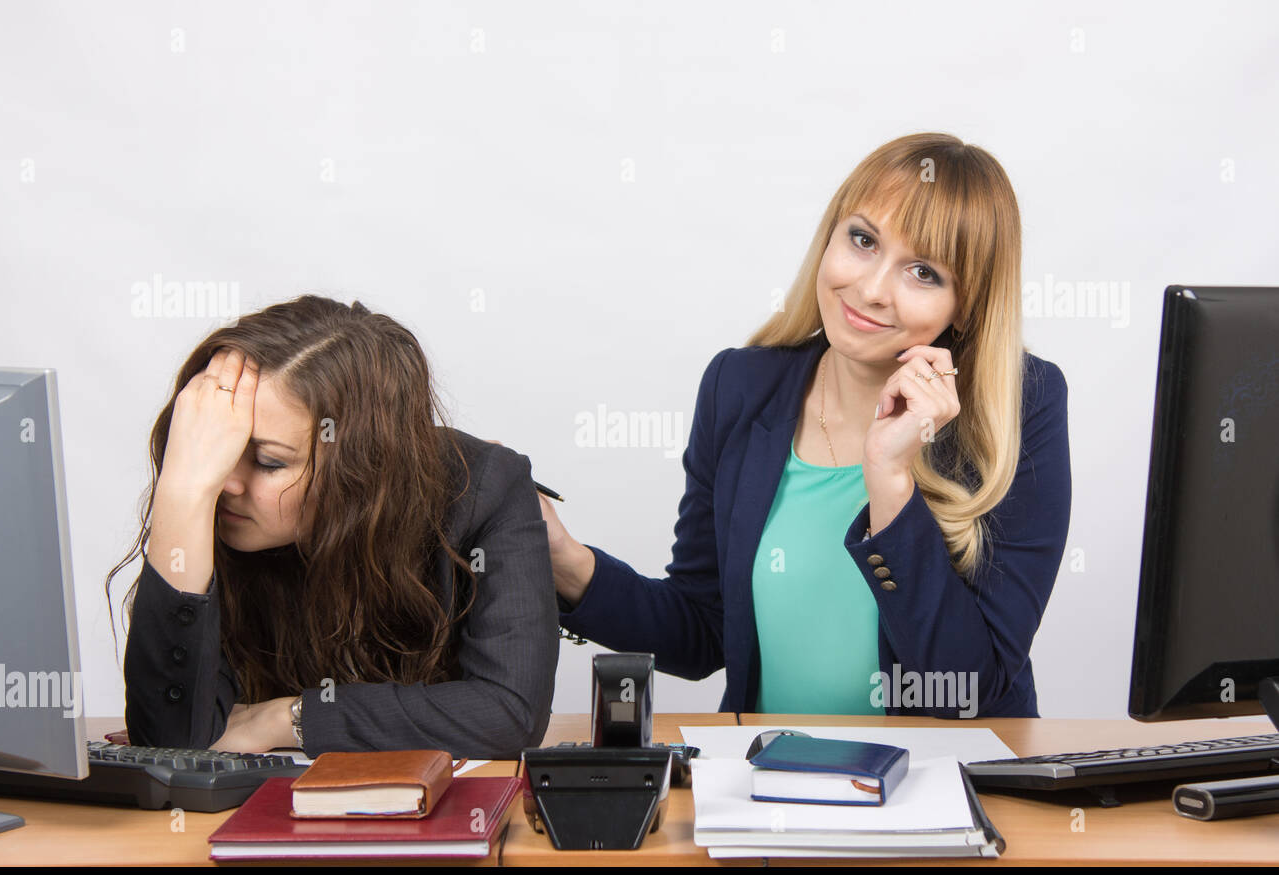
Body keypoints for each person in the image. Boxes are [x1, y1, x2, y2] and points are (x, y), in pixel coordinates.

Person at [541, 132, 1071, 718]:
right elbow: (705, 627)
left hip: (940, 792)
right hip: (769, 789)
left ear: (966, 304)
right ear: (830, 235)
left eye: (923, 272)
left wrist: (891, 481)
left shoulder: (1022, 406)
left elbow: (974, 690)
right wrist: (567, 562)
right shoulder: (740, 387)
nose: (871, 290)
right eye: (863, 240)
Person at [107, 296, 558, 758]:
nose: (227, 482)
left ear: (360, 466)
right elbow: (169, 741)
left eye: (268, 461)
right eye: (215, 449)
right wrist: (182, 494)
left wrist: (289, 718)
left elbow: (505, 714)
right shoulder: (205, 494)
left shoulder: (485, 488)